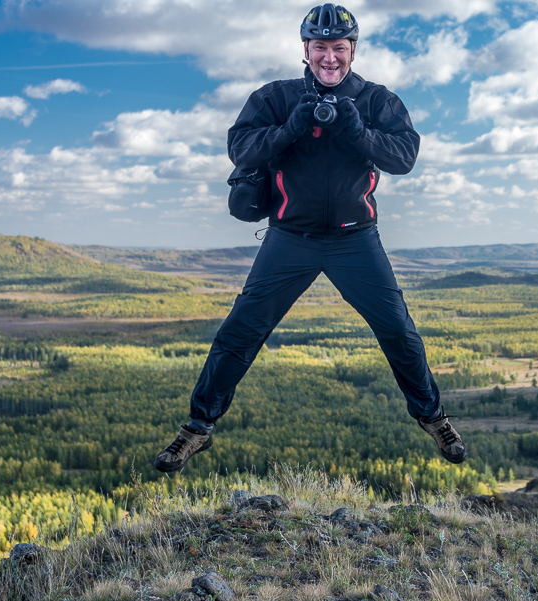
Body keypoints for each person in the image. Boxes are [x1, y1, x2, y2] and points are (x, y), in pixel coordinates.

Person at [153, 3, 466, 473]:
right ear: (306, 49)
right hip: (289, 237)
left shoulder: (377, 100)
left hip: (354, 238)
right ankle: (197, 428)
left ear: (353, 50)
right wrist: (290, 128)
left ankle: (433, 417)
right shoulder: (275, 97)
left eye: (339, 48)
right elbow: (239, 147)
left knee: (398, 331)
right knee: (239, 332)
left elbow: (404, 156)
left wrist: (358, 130)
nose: (330, 58)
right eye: (320, 47)